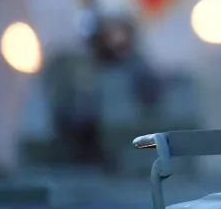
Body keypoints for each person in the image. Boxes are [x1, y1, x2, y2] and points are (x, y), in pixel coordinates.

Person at [41, 14, 160, 169]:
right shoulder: (75, 66)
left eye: (121, 31)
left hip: (125, 147)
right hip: (79, 145)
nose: (117, 37)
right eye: (111, 31)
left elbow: (150, 99)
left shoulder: (136, 67)